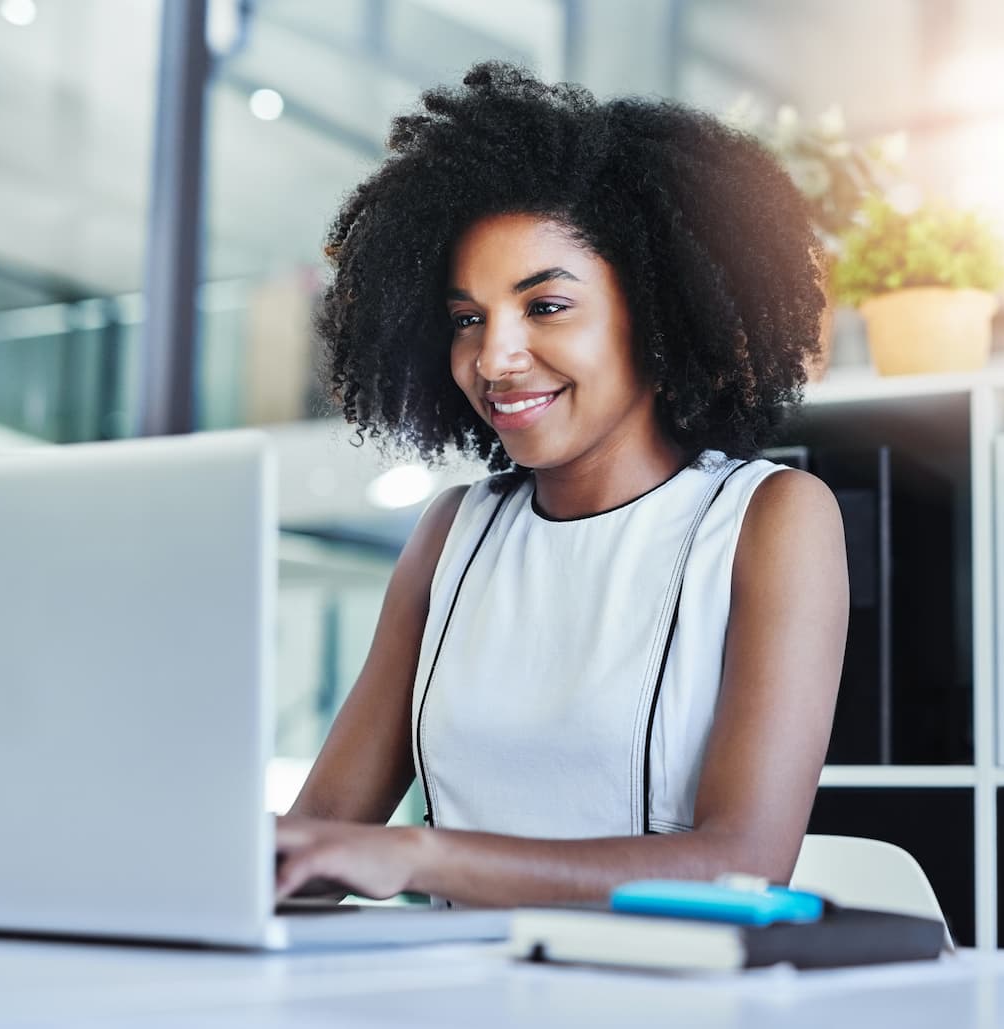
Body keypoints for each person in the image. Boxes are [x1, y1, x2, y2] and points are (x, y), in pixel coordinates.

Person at [274, 62, 849, 908]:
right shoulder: (454, 532)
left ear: (653, 314)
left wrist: (424, 855)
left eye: (545, 307)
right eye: (467, 318)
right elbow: (324, 824)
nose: (493, 358)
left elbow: (744, 863)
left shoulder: (766, 519)